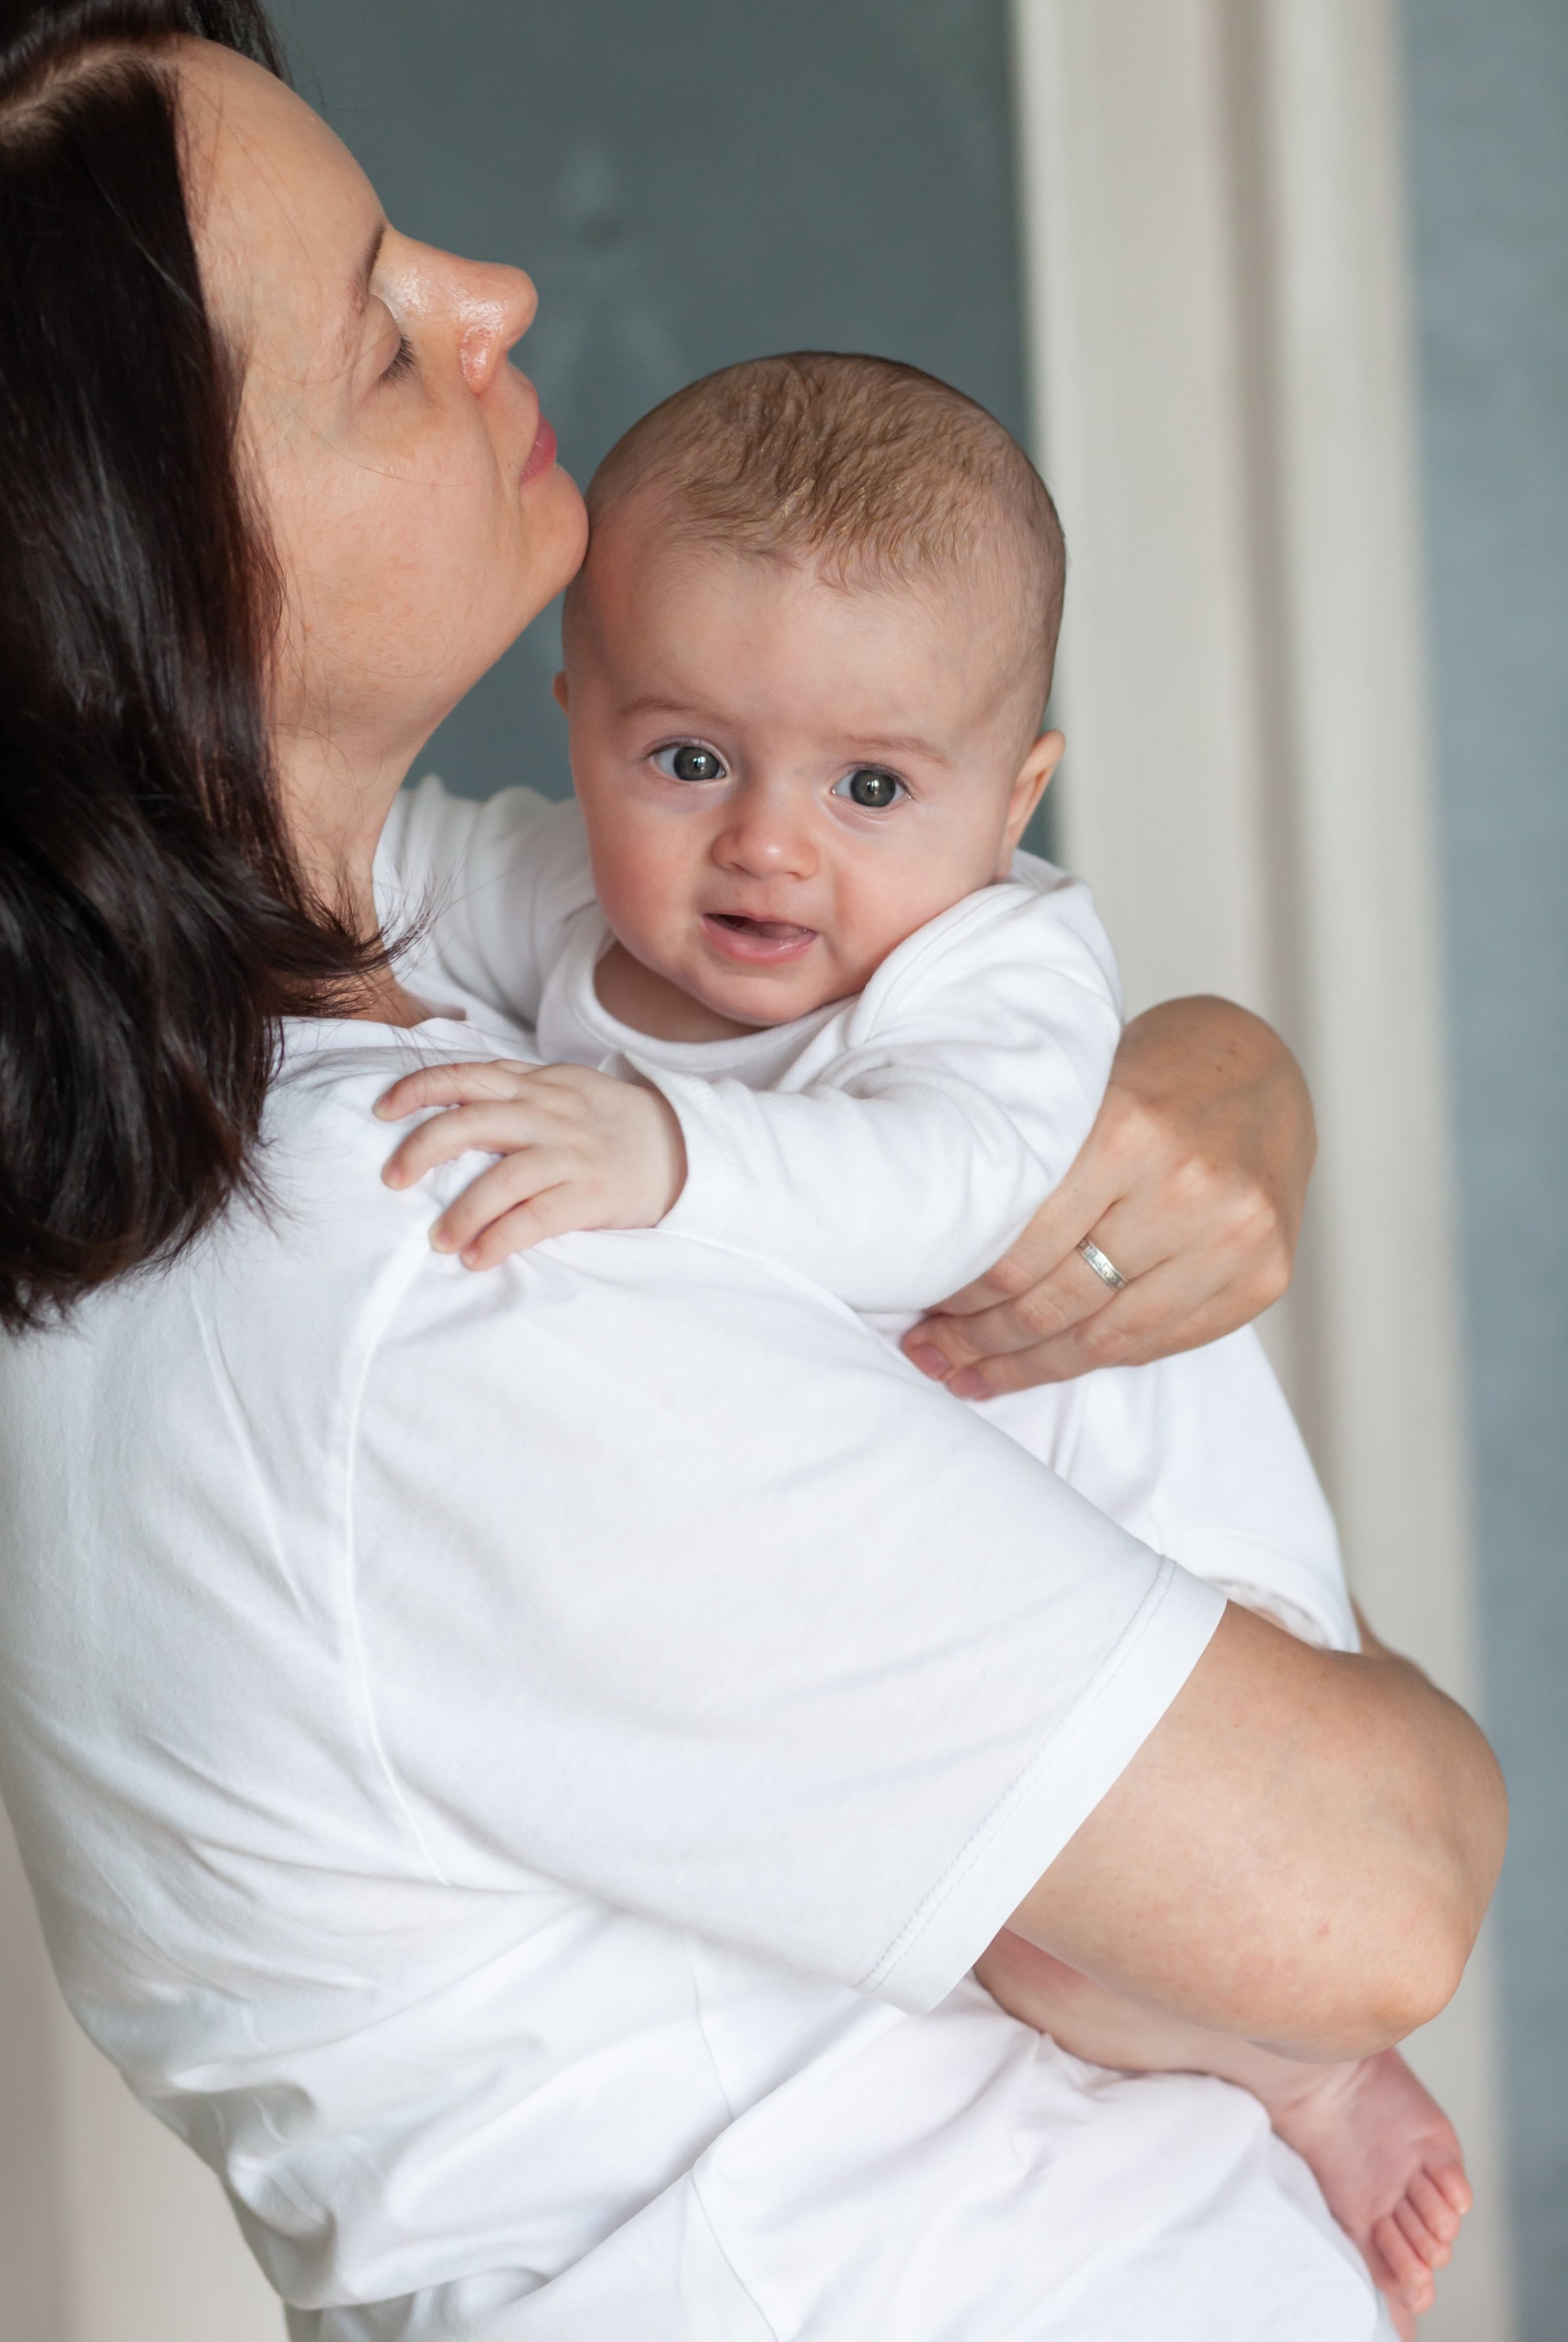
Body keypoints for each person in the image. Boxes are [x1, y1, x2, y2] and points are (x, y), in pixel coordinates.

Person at [0, 0, 1503, 2342]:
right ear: (133, 579)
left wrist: (1196, 1066)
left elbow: (952, 1037)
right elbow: (1379, 1891)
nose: (491, 297)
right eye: (378, 328)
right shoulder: (436, 1253)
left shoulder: (274, 1090)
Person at [365, 351, 1469, 2313]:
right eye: (687, 758)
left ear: (1017, 788)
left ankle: (1304, 2068)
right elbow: (364, 877)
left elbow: (945, 1186)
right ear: (581, 719)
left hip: (1173, 1567)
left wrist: (660, 1148)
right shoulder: (557, 898)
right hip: (968, 1610)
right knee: (951, 1921)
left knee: (1066, 1930)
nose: (772, 846)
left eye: (874, 787)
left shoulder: (1000, 966)